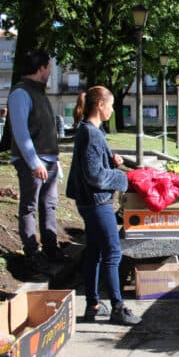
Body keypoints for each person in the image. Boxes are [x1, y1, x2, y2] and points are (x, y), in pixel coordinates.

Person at [66, 86, 141, 326]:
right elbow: (95, 176)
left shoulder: (89, 131)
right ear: (100, 105)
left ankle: (93, 305)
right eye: (110, 105)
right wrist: (122, 178)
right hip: (97, 202)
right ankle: (118, 308)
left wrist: (112, 162)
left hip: (90, 201)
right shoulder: (91, 134)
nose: (112, 110)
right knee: (112, 253)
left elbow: (94, 167)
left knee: (95, 252)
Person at [7, 49, 62, 279]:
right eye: (49, 67)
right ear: (41, 68)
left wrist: (55, 163)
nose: (50, 72)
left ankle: (51, 248)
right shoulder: (21, 93)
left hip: (49, 160)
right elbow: (21, 132)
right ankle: (32, 252)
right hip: (33, 162)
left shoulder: (40, 93)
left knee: (49, 204)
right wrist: (33, 162)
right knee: (29, 206)